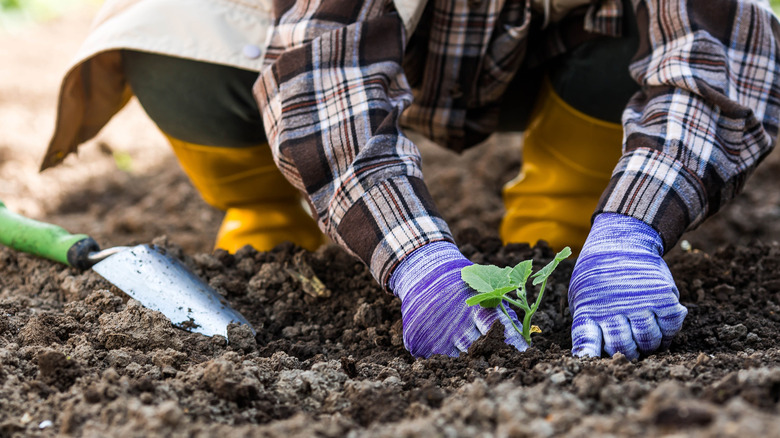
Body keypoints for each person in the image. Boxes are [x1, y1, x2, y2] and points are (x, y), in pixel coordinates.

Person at [42, 0, 780, 360]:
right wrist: (418, 259)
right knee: (176, 29)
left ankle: (569, 217)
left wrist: (636, 225)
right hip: (294, 39)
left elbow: (721, 59)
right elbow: (327, 70)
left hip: (533, 48)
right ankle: (266, 227)